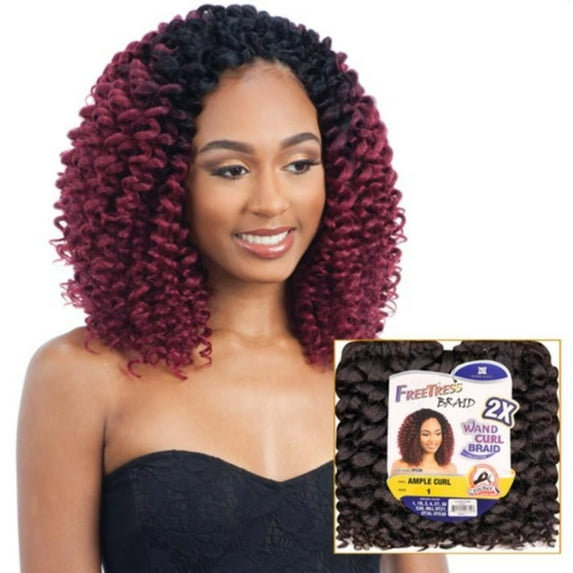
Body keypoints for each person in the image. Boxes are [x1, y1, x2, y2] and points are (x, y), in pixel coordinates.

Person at [17, 5, 447, 572]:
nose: (271, 202)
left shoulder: (388, 383)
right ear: (161, 183)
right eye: (231, 170)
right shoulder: (80, 377)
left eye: (299, 163)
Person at [391, 408, 457, 475]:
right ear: (413, 437)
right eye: (426, 434)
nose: (432, 440)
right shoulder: (402, 466)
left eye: (438, 434)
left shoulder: (450, 469)